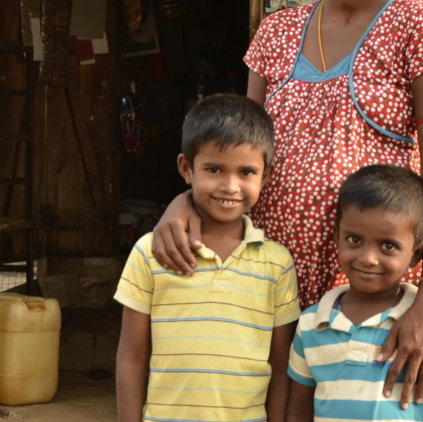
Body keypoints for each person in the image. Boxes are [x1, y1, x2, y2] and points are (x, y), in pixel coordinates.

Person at [151, 0, 423, 407]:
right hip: (268, 288)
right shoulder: (275, 33)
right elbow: (237, 153)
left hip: (371, 296)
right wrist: (183, 202)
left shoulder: (420, 30)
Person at [115, 94, 300, 422]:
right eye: (214, 169)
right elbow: (131, 358)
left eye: (246, 172)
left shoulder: (276, 263)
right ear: (187, 169)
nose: (230, 186)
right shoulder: (151, 253)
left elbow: (281, 366)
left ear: (266, 176)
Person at [286, 165, 423, 422]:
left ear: (415, 255)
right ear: (337, 238)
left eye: (388, 246)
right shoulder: (311, 324)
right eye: (354, 240)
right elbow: (299, 410)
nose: (368, 259)